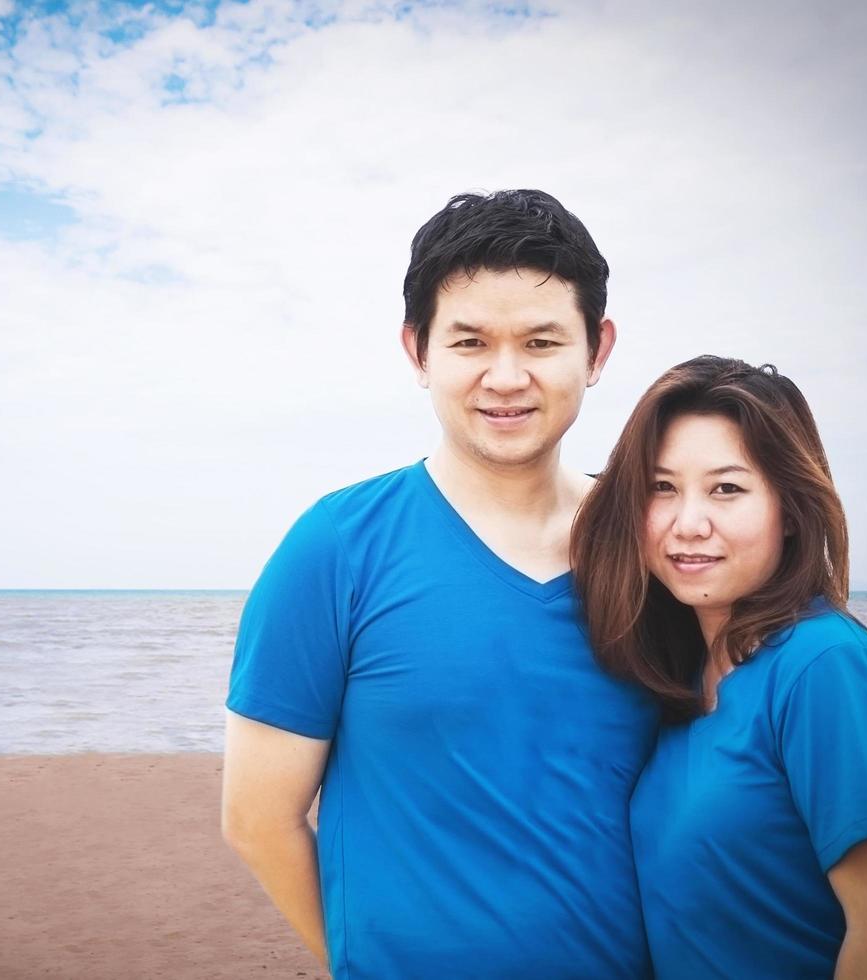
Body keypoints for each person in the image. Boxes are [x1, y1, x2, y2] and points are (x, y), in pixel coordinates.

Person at [221, 189, 660, 978]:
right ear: (417, 351)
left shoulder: (651, 549)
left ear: (596, 351)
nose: (504, 376)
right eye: (468, 342)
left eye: (540, 341)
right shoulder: (337, 546)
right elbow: (257, 817)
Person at [571, 355, 867, 979]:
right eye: (662, 488)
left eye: (727, 489)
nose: (689, 524)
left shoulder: (825, 668)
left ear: (790, 508)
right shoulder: (686, 677)